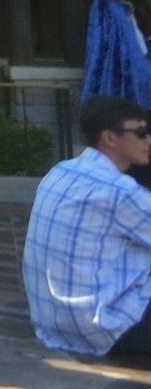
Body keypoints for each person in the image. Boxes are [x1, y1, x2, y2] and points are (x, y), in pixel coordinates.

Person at [23, 94, 151, 356]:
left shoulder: (61, 171)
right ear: (110, 137)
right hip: (105, 330)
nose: (148, 140)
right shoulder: (119, 191)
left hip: (52, 324)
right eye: (140, 133)